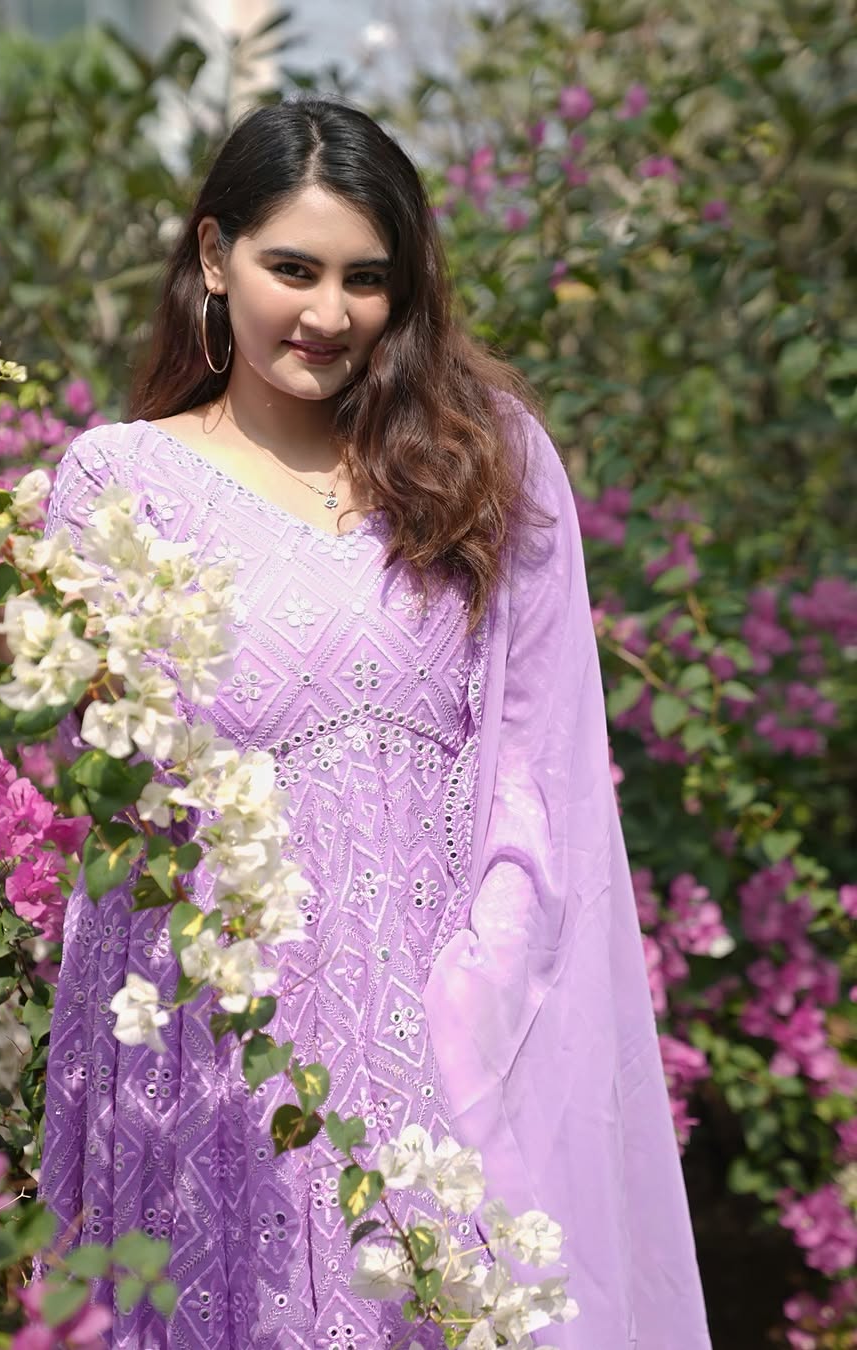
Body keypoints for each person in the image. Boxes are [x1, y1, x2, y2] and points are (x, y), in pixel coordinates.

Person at [37, 95, 713, 1349]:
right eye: (290, 267)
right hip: (217, 1068)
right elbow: (103, 815)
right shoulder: (118, 486)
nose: (328, 313)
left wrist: (461, 1014)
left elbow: (541, 771)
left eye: (366, 279)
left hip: (440, 1062)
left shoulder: (477, 466)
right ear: (211, 258)